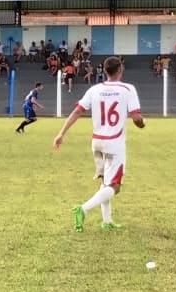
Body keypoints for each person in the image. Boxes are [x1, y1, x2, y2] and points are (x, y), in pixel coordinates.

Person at [53, 57, 144, 232]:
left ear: (105, 71)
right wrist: (142, 123)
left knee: (105, 182)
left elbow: (77, 111)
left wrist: (61, 133)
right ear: (120, 70)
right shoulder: (127, 89)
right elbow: (136, 118)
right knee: (114, 186)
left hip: (97, 142)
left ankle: (107, 220)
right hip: (114, 142)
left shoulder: (94, 90)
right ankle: (83, 209)